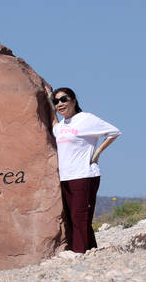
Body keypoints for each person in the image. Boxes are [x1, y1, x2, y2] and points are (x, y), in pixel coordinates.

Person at [51, 87, 120, 254]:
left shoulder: (85, 119)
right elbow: (54, 124)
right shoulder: (60, 127)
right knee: (73, 218)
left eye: (63, 99)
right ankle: (90, 251)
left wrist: (97, 153)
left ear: (73, 101)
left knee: (80, 217)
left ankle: (79, 253)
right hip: (66, 178)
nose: (60, 104)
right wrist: (47, 101)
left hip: (84, 175)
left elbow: (114, 132)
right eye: (56, 101)